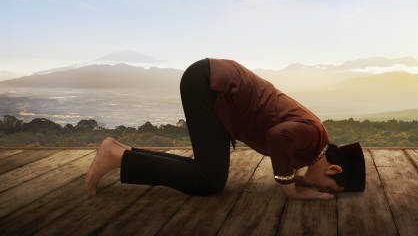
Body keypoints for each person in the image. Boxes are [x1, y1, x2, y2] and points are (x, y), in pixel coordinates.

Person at [85, 57, 366, 200]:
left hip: (214, 86)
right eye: (329, 188)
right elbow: (277, 136)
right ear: (334, 169)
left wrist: (299, 179)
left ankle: (121, 153)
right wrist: (289, 187)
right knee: (209, 181)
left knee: (208, 173)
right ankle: (118, 156)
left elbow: (283, 143)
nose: (322, 189)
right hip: (210, 85)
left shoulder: (312, 147)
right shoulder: (314, 136)